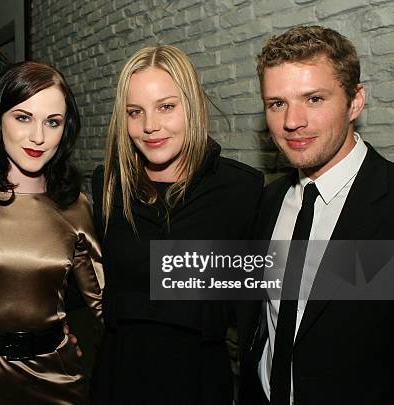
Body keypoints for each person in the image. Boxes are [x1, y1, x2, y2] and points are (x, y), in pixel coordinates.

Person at [89, 45, 263, 404]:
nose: (150, 125)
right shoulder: (107, 184)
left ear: (193, 105)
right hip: (118, 378)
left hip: (199, 382)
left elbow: (256, 298)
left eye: (166, 106)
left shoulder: (241, 189)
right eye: (135, 112)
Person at [240, 25, 394, 405]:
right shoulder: (269, 200)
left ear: (355, 101)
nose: (292, 121)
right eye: (277, 103)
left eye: (313, 99)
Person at [0, 61, 104, 404]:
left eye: (52, 122)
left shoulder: (76, 206)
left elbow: (106, 303)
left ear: (66, 130)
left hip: (60, 381)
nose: (38, 137)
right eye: (23, 117)